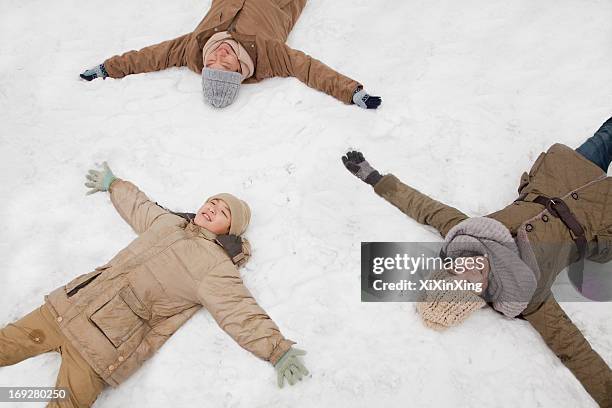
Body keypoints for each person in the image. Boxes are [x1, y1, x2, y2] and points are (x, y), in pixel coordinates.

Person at [342, 117, 612, 406]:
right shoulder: (525, 296)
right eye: (468, 282)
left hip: (564, 175)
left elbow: (426, 209)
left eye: (456, 270)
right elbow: (574, 349)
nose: (469, 268)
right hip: (600, 218)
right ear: (476, 298)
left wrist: (375, 179)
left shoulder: (468, 236)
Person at [0, 162, 308, 407]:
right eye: (212, 201)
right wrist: (114, 184)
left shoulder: (215, 266)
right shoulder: (168, 222)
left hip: (99, 350)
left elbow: (238, 311)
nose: (213, 208)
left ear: (231, 230)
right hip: (65, 311)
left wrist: (277, 350)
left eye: (223, 211)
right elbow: (139, 206)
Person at [79, 0, 381, 110]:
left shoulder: (193, 49)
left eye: (213, 63)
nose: (219, 55)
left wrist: (108, 68)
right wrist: (352, 92)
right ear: (239, 72)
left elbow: (148, 57)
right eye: (226, 64)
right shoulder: (269, 56)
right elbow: (311, 69)